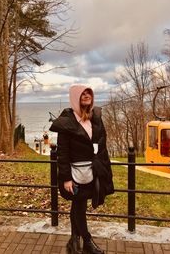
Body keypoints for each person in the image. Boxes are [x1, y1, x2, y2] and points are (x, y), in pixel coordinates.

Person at [49, 85, 114, 254]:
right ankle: (87, 241)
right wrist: (66, 178)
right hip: (76, 174)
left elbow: (102, 145)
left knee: (78, 207)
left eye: (89, 93)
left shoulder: (95, 118)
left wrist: (104, 169)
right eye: (82, 94)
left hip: (92, 172)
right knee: (79, 207)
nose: (86, 96)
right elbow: (62, 154)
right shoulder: (66, 122)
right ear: (75, 98)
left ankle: (73, 242)